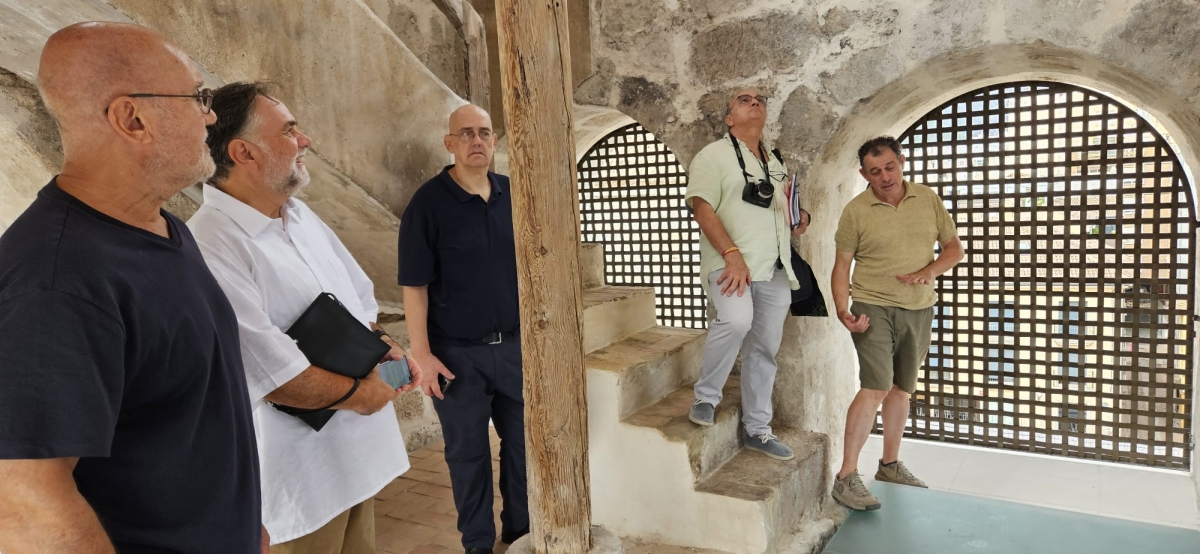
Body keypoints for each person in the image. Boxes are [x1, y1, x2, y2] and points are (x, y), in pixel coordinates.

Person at [0, 22, 263, 553]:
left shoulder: (162, 226)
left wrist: (243, 525)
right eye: (199, 97)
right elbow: (24, 504)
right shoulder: (57, 282)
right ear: (133, 118)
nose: (211, 115)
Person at [188, 82, 413, 553]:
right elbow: (271, 375)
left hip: (357, 455)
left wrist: (389, 353)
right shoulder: (211, 243)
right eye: (289, 131)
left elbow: (359, 305)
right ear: (243, 152)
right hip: (300, 471)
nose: (305, 140)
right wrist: (364, 395)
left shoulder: (300, 215)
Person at [398, 104, 527, 554]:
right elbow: (414, 286)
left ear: (494, 142)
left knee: (524, 450)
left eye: (485, 134)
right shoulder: (428, 204)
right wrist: (422, 354)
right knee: (467, 458)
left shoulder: (514, 193)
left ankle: (519, 536)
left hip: (515, 350)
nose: (477, 141)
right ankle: (478, 544)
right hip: (456, 356)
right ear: (449, 143)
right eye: (466, 133)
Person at [829, 136, 964, 511]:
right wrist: (843, 310)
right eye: (875, 171)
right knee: (875, 386)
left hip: (919, 307)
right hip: (873, 305)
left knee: (901, 389)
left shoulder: (927, 198)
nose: (885, 176)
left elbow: (954, 249)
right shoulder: (856, 211)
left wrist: (928, 272)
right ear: (864, 174)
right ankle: (846, 478)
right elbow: (842, 267)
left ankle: (889, 465)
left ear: (901, 162)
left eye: (890, 167)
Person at [685, 88, 808, 461]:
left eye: (759, 99)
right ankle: (706, 397)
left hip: (774, 266)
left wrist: (801, 218)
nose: (754, 102)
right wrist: (732, 254)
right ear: (729, 119)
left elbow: (784, 209)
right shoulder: (712, 156)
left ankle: (758, 430)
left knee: (764, 349)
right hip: (731, 263)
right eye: (743, 99)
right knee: (736, 321)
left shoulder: (774, 160)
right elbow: (702, 208)